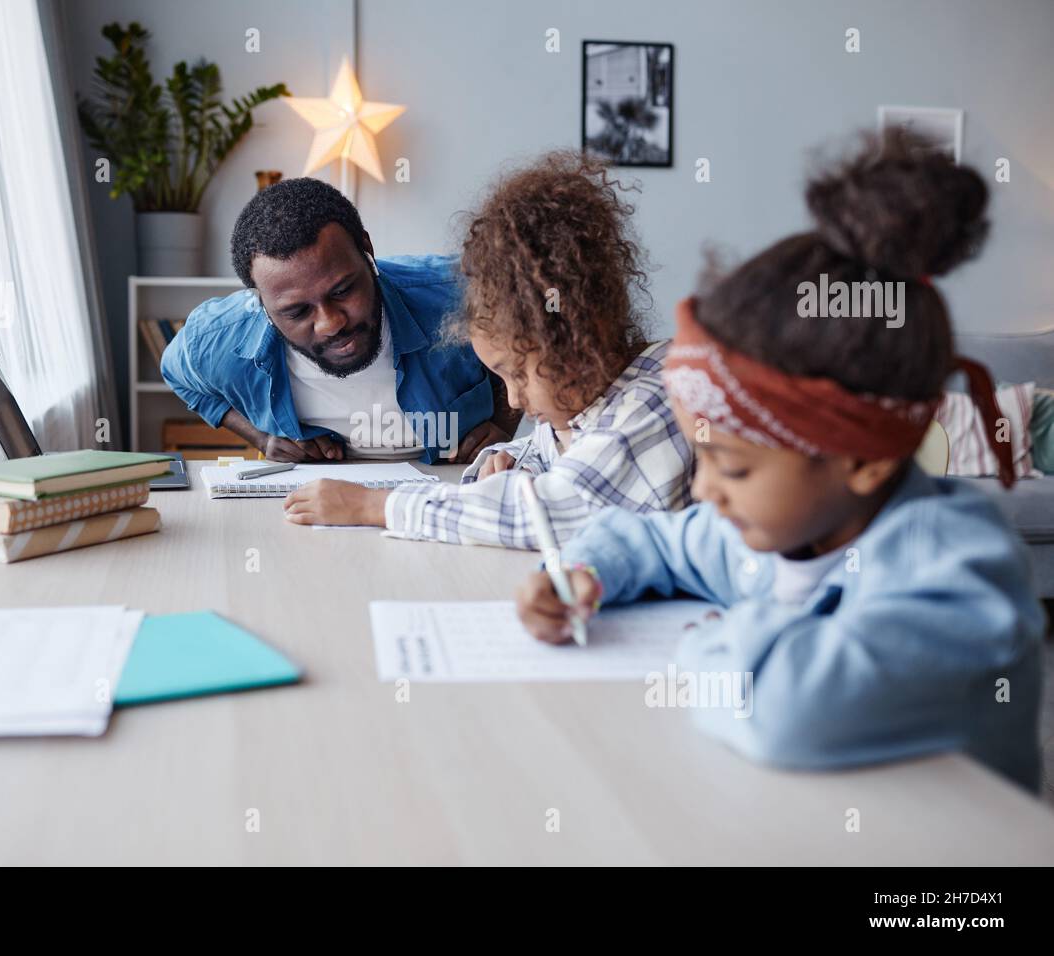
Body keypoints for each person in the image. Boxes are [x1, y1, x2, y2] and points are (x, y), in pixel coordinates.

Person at [515, 132, 1046, 791]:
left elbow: (784, 710)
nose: (704, 491)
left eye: (732, 468)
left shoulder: (961, 578)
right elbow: (652, 538)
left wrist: (711, 642)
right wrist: (581, 574)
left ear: (863, 462)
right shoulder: (787, 528)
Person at [283, 152, 694, 544]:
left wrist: (374, 506)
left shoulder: (657, 399)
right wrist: (510, 460)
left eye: (518, 373)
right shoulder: (582, 405)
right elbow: (549, 452)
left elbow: (554, 513)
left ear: (580, 340)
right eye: (501, 377)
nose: (514, 399)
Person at [160, 177, 519, 463]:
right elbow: (177, 373)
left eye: (343, 290)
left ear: (367, 250)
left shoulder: (459, 294)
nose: (330, 323)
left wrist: (504, 424)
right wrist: (261, 437)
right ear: (261, 303)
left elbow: (541, 340)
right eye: (297, 311)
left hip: (447, 489)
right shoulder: (219, 336)